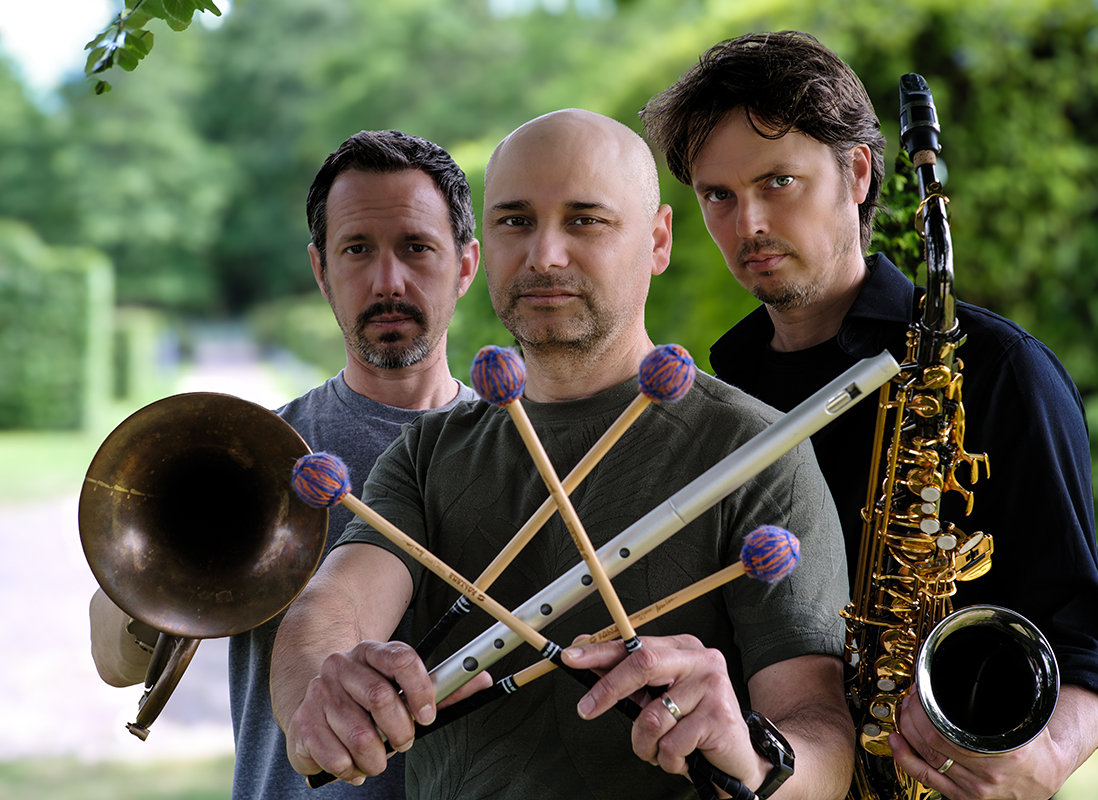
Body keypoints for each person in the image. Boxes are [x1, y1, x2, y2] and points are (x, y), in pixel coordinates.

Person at [270, 108, 856, 800]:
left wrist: (754, 759)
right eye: (516, 221)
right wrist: (322, 691)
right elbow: (331, 606)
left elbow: (822, 738)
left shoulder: (756, 452)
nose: (545, 255)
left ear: (658, 240)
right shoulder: (428, 451)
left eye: (585, 221)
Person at [639, 30, 1098, 800]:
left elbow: (1083, 639)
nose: (749, 223)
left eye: (779, 182)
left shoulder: (999, 368)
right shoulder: (723, 390)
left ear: (859, 173)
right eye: (718, 196)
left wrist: (1046, 760)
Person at [88, 129, 481, 800]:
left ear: (466, 265)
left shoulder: (522, 452)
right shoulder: (256, 450)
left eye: (416, 247)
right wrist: (183, 569)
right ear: (321, 270)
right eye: (357, 249)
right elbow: (112, 660)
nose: (387, 281)